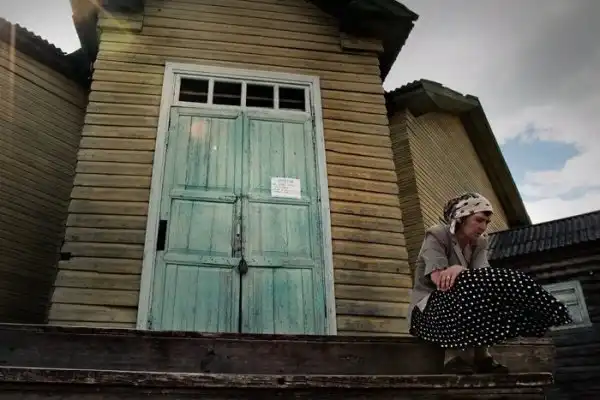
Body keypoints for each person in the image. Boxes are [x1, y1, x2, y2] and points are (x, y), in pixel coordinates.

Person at [408, 192, 572, 374]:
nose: (483, 227)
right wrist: (460, 273)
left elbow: (484, 278)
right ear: (461, 217)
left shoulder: (479, 243)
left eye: (486, 222)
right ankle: (452, 357)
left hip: (460, 308)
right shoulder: (437, 234)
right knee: (466, 284)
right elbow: (440, 280)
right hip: (428, 314)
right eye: (478, 220)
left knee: (496, 283)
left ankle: (483, 356)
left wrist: (460, 270)